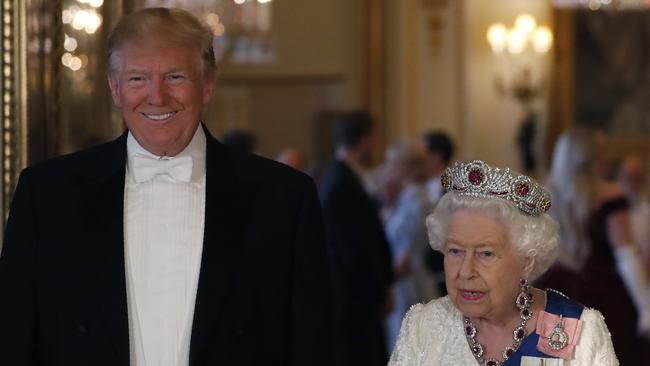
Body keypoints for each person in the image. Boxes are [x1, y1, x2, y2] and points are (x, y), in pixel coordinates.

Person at [0, 8, 333, 366]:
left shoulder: (283, 198)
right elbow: (13, 339)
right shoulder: (48, 194)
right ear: (115, 89)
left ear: (207, 85)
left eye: (175, 77)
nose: (156, 96)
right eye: (138, 79)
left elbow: (311, 345)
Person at [389, 160, 618, 365]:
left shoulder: (580, 331)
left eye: (486, 254)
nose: (466, 272)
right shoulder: (422, 327)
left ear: (526, 262)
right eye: (455, 251)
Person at [535, 128, 650, 364]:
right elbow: (626, 256)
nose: (607, 158)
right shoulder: (611, 196)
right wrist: (647, 306)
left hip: (557, 292)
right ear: (591, 159)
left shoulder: (548, 197)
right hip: (606, 296)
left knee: (560, 358)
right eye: (602, 153)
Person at [319, 110, 394, 366]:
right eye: (374, 137)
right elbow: (355, 249)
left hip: (356, 297)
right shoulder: (341, 183)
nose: (375, 144)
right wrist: (380, 290)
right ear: (363, 139)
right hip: (353, 300)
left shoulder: (344, 177)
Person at [380, 141, 436, 354]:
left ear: (404, 167)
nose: (387, 169)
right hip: (399, 282)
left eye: (391, 163)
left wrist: (379, 284)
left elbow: (407, 255)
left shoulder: (418, 202)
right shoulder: (403, 199)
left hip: (407, 284)